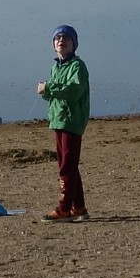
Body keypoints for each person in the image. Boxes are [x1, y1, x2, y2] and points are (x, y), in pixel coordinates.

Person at [36, 24, 90, 222]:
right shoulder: (55, 67)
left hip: (72, 122)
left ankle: (64, 209)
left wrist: (49, 88)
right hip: (58, 121)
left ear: (74, 45)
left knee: (66, 166)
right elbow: (53, 96)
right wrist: (45, 91)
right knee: (69, 165)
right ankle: (79, 207)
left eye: (66, 38)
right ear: (53, 45)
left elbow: (73, 90)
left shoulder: (77, 66)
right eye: (57, 38)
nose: (61, 40)